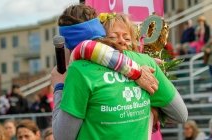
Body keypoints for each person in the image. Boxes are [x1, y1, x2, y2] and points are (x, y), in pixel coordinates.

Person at [52, 4, 187, 139]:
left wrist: (59, 86)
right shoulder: (145, 62)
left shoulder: (79, 71)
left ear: (67, 43)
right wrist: (150, 111)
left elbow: (63, 137)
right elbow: (180, 114)